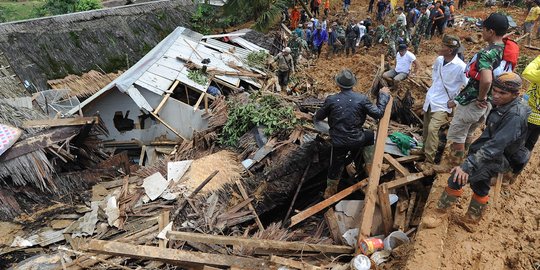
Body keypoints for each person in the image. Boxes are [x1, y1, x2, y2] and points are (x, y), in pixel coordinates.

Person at [436, 72, 530, 220]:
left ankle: (439, 213)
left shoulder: (514, 116)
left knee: (457, 177)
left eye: (502, 93)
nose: (496, 95)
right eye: (495, 90)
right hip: (493, 152)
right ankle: (472, 219)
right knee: (481, 182)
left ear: (515, 94)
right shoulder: (504, 103)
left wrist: (468, 165)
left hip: (499, 157)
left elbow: (495, 146)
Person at [435, 13, 512, 172]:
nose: (481, 33)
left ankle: (451, 166)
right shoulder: (504, 50)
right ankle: (463, 163)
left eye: (483, 30)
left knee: (457, 134)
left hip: (473, 101)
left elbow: (486, 79)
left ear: (491, 32)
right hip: (488, 103)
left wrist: (480, 97)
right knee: (468, 133)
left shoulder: (487, 53)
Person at [314, 69, 391, 198]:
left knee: (335, 164)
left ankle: (330, 190)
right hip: (357, 139)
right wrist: (383, 96)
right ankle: (371, 168)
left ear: (338, 85)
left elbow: (319, 116)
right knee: (370, 136)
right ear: (353, 85)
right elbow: (378, 113)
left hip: (338, 142)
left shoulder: (332, 99)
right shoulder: (361, 99)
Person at [418, 35, 468, 174]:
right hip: (431, 99)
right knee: (426, 127)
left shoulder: (461, 67)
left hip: (443, 104)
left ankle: (429, 160)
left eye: (443, 46)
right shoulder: (440, 60)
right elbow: (435, 74)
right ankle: (423, 150)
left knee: (433, 129)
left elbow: (470, 87)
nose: (440, 47)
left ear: (450, 50)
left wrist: (456, 101)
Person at [523, 55, 540, 151]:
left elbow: (526, 73)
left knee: (518, 144)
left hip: (530, 115)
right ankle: (520, 165)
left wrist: (538, 59)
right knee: (529, 146)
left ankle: (509, 165)